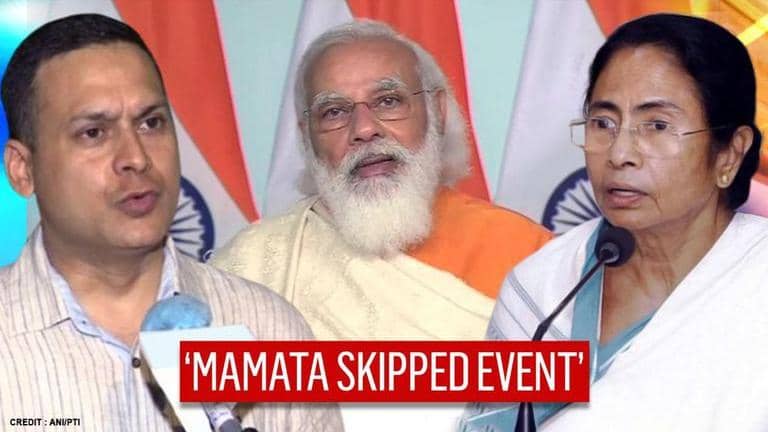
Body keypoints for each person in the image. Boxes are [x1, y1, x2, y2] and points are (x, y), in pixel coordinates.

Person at [0, 14, 342, 431]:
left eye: (151, 123)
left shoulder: (268, 329)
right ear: (22, 170)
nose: (136, 157)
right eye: (94, 133)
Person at [465, 13, 768, 431]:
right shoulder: (542, 286)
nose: (619, 153)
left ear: (730, 154)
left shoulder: (757, 278)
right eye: (603, 123)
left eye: (657, 125)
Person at [211, 20, 551, 341]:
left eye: (388, 101)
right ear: (307, 137)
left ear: (437, 112)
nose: (363, 129)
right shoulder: (253, 263)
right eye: (334, 112)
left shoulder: (528, 252)